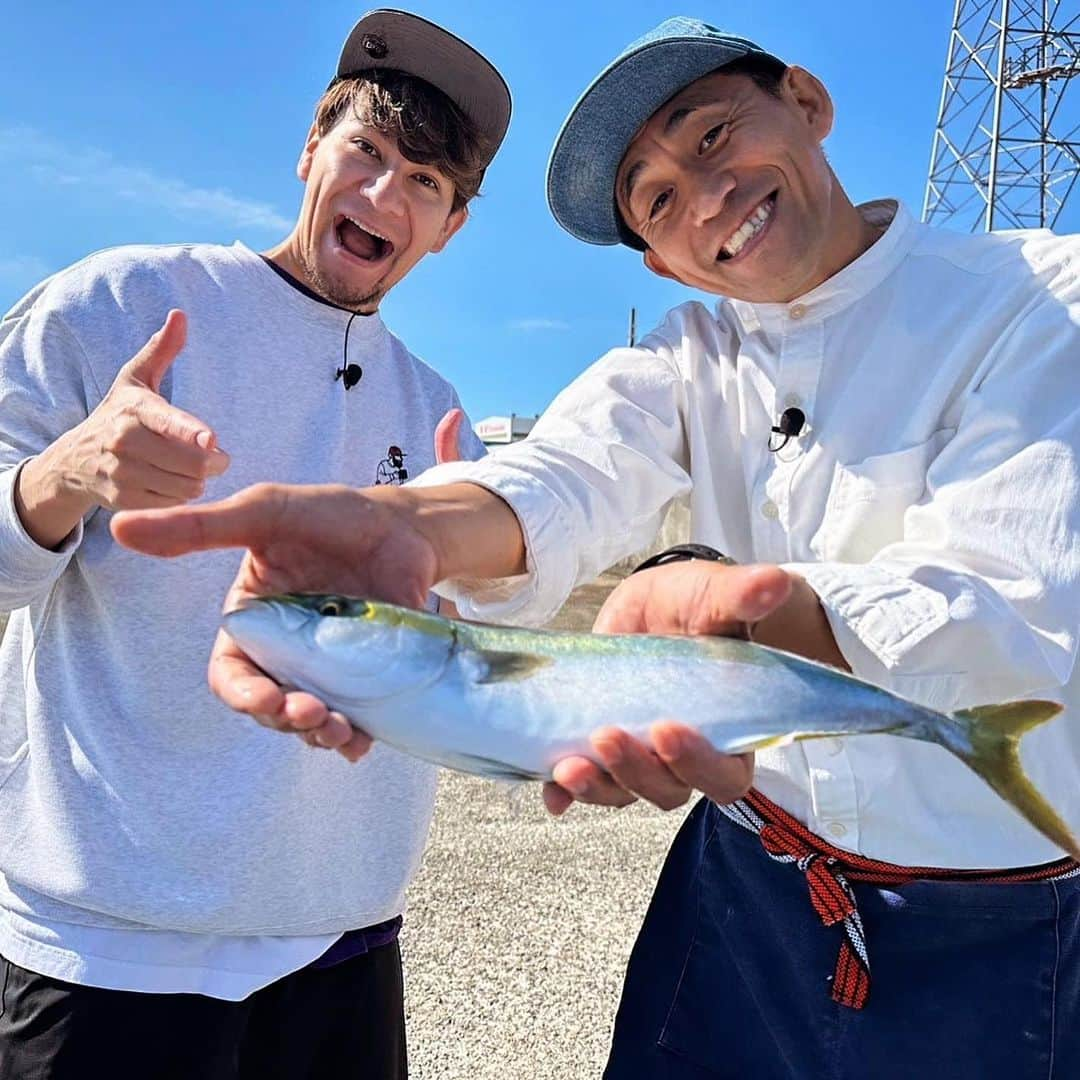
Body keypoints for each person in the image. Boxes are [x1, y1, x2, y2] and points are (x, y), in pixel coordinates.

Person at [113, 15, 1080, 1080]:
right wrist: (412, 525)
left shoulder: (1039, 298)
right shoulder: (688, 355)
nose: (705, 196)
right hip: (743, 884)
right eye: (657, 199)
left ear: (807, 101)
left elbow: (1023, 605)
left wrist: (744, 609)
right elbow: (565, 473)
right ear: (663, 264)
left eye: (711, 136)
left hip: (997, 928)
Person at [0, 9, 508, 1078]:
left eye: (424, 182)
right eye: (366, 150)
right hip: (107, 947)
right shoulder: (121, 304)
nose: (382, 196)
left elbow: (446, 667)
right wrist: (63, 476)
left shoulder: (437, 407)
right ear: (309, 147)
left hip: (343, 937)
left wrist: (457, 622)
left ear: (453, 228)